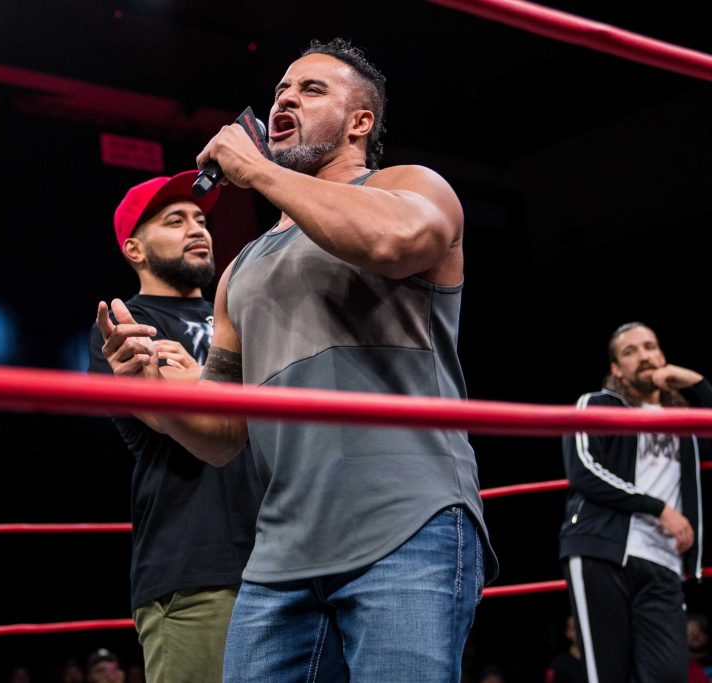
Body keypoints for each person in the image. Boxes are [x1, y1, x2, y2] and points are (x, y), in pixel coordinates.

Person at [97, 38, 496, 681]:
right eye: (282, 89)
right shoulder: (241, 270)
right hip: (280, 554)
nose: (286, 99)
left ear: (359, 122)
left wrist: (257, 172)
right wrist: (152, 392)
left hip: (407, 522)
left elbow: (394, 243)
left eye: (311, 90)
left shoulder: (408, 187)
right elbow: (224, 432)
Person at [89, 171, 264, 682]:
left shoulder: (241, 317)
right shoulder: (125, 328)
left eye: (200, 220)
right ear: (135, 249)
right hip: (197, 568)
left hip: (283, 553)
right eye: (175, 221)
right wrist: (226, 387)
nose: (197, 229)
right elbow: (179, 420)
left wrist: (197, 378)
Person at [560, 321, 711, 682]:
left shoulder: (684, 425)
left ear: (663, 356)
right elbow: (584, 471)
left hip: (665, 562)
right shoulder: (597, 404)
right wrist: (658, 508)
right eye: (630, 351)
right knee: (607, 675)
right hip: (603, 552)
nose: (643, 356)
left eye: (650, 347)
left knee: (669, 675)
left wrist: (697, 383)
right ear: (616, 368)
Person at [544, 615, 586, 683]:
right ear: (567, 633)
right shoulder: (559, 665)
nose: (579, 632)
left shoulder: (596, 659)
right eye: (574, 628)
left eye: (580, 627)